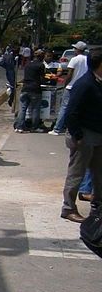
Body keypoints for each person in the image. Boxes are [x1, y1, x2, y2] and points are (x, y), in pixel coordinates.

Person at [60, 49, 102, 223]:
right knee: (76, 173)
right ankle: (68, 208)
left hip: (98, 136)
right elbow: (71, 112)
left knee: (98, 174)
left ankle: (98, 207)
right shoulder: (85, 84)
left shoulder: (98, 83)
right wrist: (77, 135)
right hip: (83, 135)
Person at [51, 40, 88, 136]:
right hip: (82, 87)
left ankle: (58, 128)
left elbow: (69, 74)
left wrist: (65, 84)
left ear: (78, 49)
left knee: (64, 107)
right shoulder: (88, 59)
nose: (74, 50)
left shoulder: (74, 59)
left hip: (71, 86)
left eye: (75, 48)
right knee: (78, 108)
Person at [14, 50, 45, 133]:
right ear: (41, 57)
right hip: (35, 89)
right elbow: (42, 78)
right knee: (35, 109)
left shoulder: (28, 64)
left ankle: (19, 127)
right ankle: (34, 127)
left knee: (22, 109)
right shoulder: (40, 65)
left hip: (25, 88)